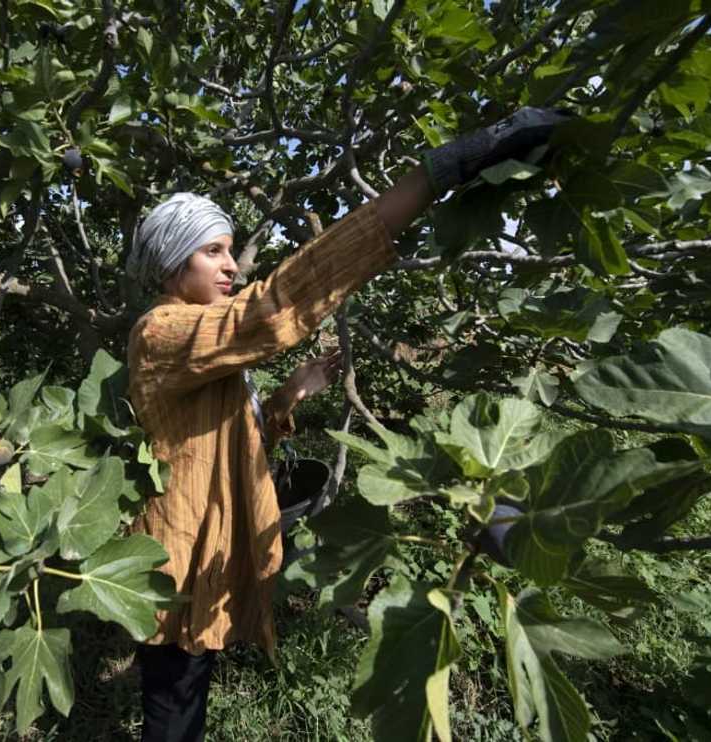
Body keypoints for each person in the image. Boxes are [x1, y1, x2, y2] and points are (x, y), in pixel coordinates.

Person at [123, 107, 568, 742]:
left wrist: (288, 397)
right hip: (177, 555)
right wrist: (432, 177)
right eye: (213, 252)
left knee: (187, 687)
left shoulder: (201, 347)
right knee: (171, 703)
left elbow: (214, 435)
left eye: (231, 250)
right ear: (172, 267)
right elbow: (273, 306)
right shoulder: (162, 331)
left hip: (209, 548)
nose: (232, 266)